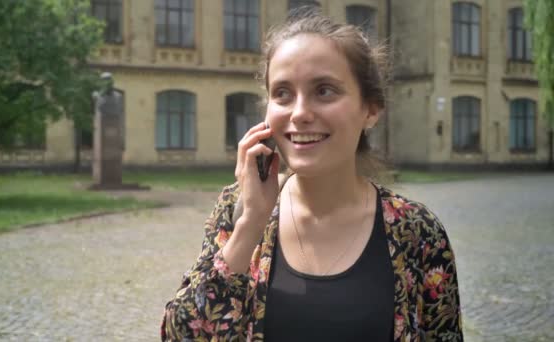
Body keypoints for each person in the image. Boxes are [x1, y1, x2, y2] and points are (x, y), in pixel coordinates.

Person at [161, 9, 463, 342]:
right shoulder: (238, 210)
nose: (300, 112)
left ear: (371, 109)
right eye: (282, 94)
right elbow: (181, 335)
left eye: (324, 91)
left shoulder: (417, 232)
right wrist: (250, 225)